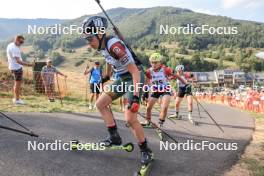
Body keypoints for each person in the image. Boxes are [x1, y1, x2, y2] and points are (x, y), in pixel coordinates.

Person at [82, 16, 153, 165]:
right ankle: (114, 137)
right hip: (121, 78)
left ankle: (146, 150)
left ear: (99, 34)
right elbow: (109, 62)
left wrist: (134, 96)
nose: (88, 43)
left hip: (134, 76)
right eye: (86, 39)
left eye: (90, 39)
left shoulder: (114, 45)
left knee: (130, 118)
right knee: (100, 103)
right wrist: (105, 77)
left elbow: (134, 71)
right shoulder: (102, 47)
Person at [141, 53, 187, 128]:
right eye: (152, 62)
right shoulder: (149, 71)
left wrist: (186, 84)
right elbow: (147, 82)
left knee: (164, 106)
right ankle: (147, 122)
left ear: (160, 62)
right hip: (156, 90)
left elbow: (177, 76)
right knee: (148, 107)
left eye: (156, 62)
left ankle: (160, 123)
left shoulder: (166, 69)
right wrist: (145, 93)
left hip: (166, 89)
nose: (154, 64)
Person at [6, 35, 34, 105]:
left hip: (12, 67)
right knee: (17, 84)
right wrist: (29, 65)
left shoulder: (10, 45)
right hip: (17, 68)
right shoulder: (15, 49)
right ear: (17, 40)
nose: (21, 44)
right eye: (21, 42)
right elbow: (18, 61)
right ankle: (17, 100)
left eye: (22, 42)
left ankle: (15, 98)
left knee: (16, 83)